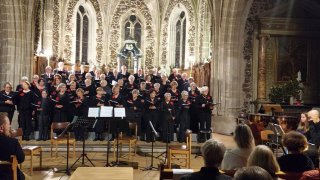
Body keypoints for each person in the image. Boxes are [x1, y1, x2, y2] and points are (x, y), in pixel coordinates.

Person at [0, 113, 25, 180]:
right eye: (8, 124)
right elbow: (21, 159)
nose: (10, 126)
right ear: (1, 128)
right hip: (7, 176)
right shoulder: (12, 143)